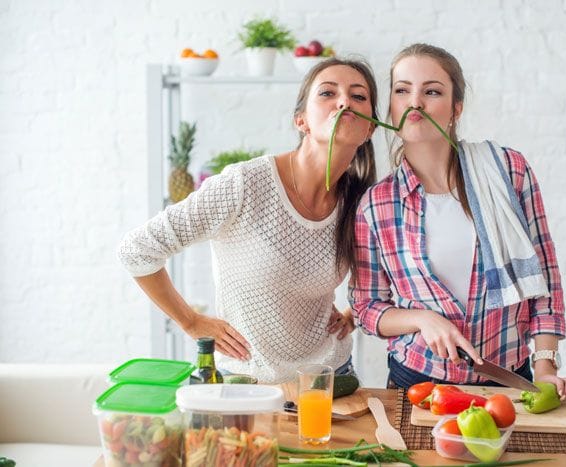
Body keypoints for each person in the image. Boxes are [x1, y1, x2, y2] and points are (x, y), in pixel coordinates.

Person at [119, 58, 378, 384]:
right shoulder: (244, 184)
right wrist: (190, 321)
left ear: (369, 128)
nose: (344, 102)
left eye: (358, 96)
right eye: (328, 93)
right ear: (302, 121)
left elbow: (388, 276)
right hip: (246, 382)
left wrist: (354, 313)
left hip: (330, 378)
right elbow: (137, 250)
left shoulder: (361, 200)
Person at [349, 44, 566, 398]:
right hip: (418, 384)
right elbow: (366, 307)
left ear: (456, 108)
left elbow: (544, 277)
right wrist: (423, 319)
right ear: (391, 108)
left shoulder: (507, 172)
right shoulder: (376, 205)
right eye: (402, 90)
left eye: (432, 91)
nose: (416, 102)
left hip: (507, 381)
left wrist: (546, 367)